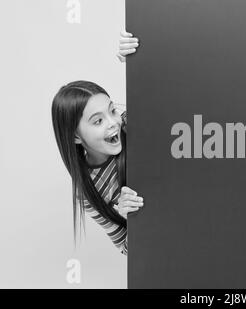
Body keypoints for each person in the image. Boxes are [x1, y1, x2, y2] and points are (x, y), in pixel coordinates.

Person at [51, 31, 140, 255]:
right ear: (75, 137)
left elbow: (171, 95)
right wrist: (136, 221)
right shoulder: (87, 191)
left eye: (112, 111)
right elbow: (127, 250)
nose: (113, 123)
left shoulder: (131, 124)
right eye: (98, 121)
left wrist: (139, 61)